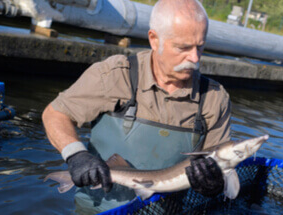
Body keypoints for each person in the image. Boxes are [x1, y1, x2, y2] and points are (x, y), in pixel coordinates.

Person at [42, 0, 231, 213]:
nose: (195, 58)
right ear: (154, 39)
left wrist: (214, 184)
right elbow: (56, 113)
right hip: (100, 209)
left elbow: (223, 170)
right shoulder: (116, 74)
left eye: (200, 46)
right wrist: (76, 154)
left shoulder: (214, 98)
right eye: (183, 47)